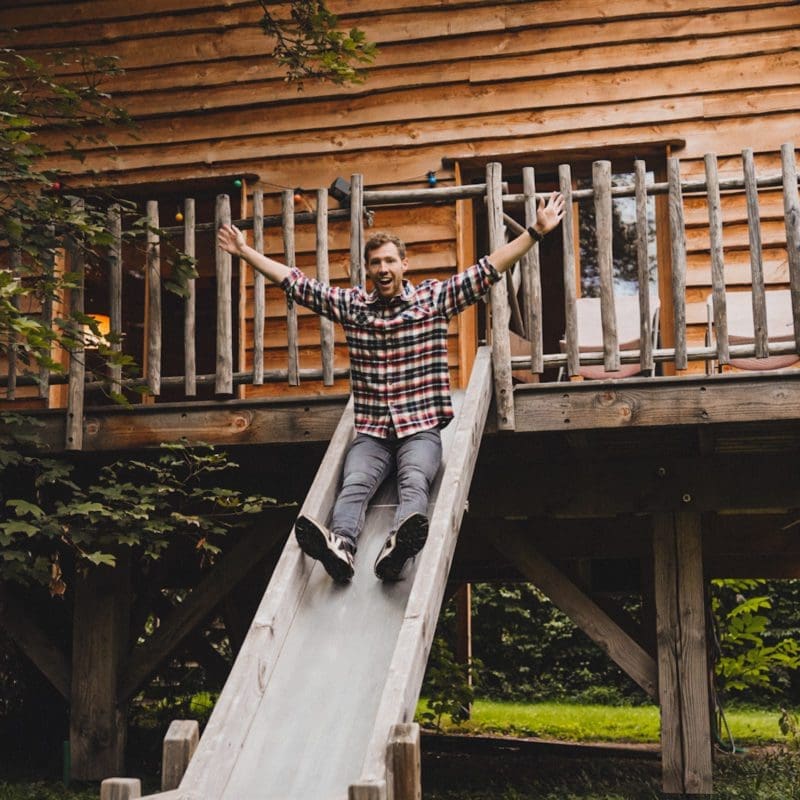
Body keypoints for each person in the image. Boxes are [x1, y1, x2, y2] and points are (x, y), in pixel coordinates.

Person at [217, 191, 565, 583]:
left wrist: (536, 231)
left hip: (420, 428)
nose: (383, 269)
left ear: (404, 265)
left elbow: (487, 270)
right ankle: (342, 547)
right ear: (367, 270)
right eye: (375, 263)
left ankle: (398, 545)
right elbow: (298, 284)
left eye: (389, 262)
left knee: (414, 480)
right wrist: (246, 253)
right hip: (373, 432)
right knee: (354, 483)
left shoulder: (432, 301)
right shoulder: (354, 308)